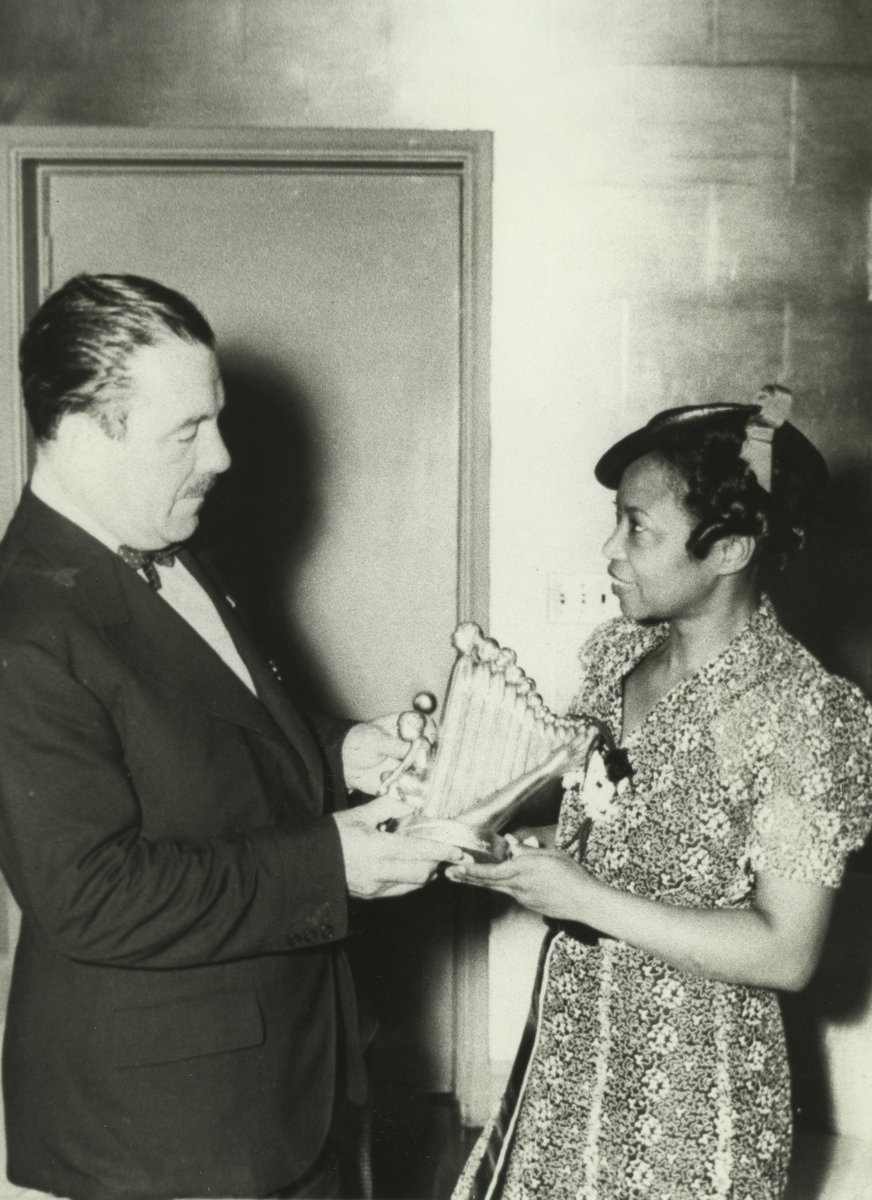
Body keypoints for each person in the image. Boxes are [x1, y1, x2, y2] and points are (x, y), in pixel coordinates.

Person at [0, 273, 464, 1200]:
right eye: (188, 431)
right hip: (165, 1137)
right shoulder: (25, 625)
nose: (220, 456)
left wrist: (341, 752)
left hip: (282, 1091)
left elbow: (212, 739)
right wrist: (333, 865)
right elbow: (89, 894)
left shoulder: (172, 551)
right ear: (89, 428)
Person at [447, 389, 872, 1200]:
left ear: (731, 549)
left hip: (692, 1104)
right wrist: (503, 847)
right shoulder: (615, 657)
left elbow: (788, 951)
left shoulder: (804, 711)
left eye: (637, 526)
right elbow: (600, 823)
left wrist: (582, 896)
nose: (610, 548)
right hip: (566, 1066)